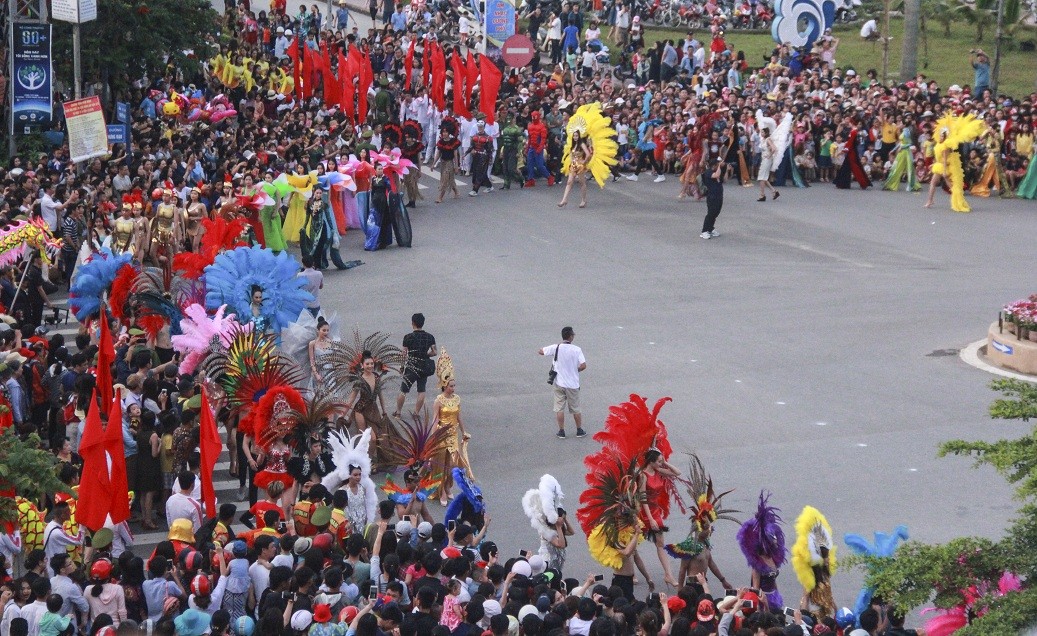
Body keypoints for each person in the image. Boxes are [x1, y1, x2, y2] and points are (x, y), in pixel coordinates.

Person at [431, 350, 468, 506]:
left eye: (454, 385)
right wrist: (433, 437)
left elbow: (459, 416)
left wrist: (464, 431)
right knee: (442, 464)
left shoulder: (457, 399)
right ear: (444, 385)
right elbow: (435, 419)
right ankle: (441, 491)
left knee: (453, 464)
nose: (453, 388)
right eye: (451, 386)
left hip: (453, 435)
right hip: (441, 434)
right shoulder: (438, 400)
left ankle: (447, 485)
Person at [537, 327, 586, 439]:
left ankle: (561, 431)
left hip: (559, 383)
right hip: (573, 384)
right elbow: (583, 365)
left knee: (559, 408)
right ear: (571, 337)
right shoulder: (577, 349)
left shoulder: (556, 347)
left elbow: (541, 351)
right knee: (576, 408)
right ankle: (579, 430)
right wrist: (576, 369)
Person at [394, 313, 436, 417]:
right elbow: (434, 352)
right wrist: (426, 354)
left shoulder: (408, 337)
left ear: (413, 323)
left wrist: (402, 366)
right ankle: (416, 413)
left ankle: (398, 412)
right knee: (421, 390)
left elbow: (404, 354)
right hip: (424, 366)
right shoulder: (430, 337)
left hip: (411, 366)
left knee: (403, 390)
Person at [699, 159, 726, 240]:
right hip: (712, 196)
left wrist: (726, 170)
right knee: (711, 213)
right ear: (713, 166)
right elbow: (716, 175)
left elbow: (725, 179)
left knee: (716, 213)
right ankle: (704, 231)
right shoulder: (708, 172)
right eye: (717, 165)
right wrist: (719, 167)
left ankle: (710, 228)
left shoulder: (718, 171)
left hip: (719, 196)